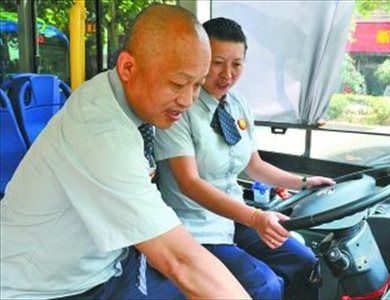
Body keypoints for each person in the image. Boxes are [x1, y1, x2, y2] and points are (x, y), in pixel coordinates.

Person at [0, 5, 250, 300]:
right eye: (178, 84)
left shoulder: (135, 99)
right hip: (47, 288)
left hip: (109, 266)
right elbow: (179, 261)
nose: (188, 100)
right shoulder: (100, 132)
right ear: (128, 67)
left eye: (197, 84)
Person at [155, 17, 336, 299]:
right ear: (200, 58)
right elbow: (188, 183)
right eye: (217, 62)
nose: (227, 73)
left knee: (305, 261)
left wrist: (305, 182)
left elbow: (254, 166)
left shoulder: (238, 105)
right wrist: (255, 218)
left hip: (234, 218)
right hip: (195, 228)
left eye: (236, 64)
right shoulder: (179, 109)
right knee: (266, 286)